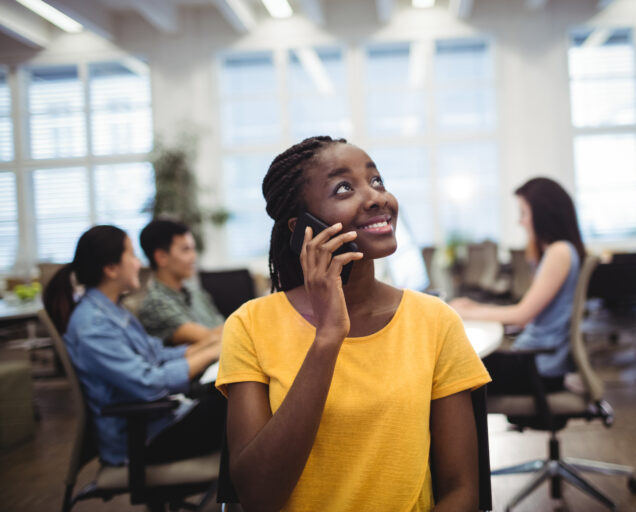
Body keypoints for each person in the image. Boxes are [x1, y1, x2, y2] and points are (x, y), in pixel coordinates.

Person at [215, 136, 491, 511]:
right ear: (301, 228)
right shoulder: (250, 325)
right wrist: (327, 338)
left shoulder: (434, 321)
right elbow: (257, 497)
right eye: (344, 187)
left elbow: (462, 492)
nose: (377, 197)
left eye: (376, 180)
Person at [43, 225, 224, 466]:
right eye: (132, 255)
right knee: (240, 400)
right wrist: (212, 350)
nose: (139, 264)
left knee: (231, 389)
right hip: (143, 440)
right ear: (111, 268)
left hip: (162, 420)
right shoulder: (93, 325)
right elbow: (147, 383)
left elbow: (156, 353)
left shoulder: (112, 311)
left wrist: (210, 347)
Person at [450, 177, 586, 394]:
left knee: (450, 375)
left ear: (543, 214)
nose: (520, 221)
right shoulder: (558, 251)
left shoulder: (559, 252)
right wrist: (473, 309)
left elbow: (522, 315)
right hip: (535, 361)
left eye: (524, 213)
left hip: (538, 369)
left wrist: (465, 312)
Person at [137, 218, 224, 346]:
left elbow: (223, 327)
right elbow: (209, 338)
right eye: (185, 249)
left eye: (193, 249)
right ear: (161, 257)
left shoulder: (194, 292)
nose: (194, 256)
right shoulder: (156, 303)